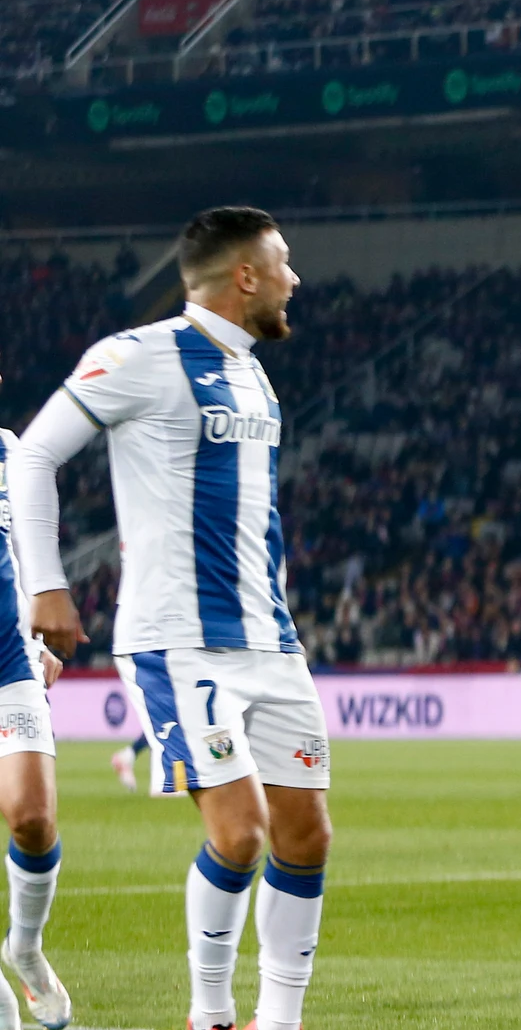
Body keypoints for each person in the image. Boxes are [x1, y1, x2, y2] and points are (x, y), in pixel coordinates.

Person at [15, 207, 332, 1030]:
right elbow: (36, 453)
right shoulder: (140, 356)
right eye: (284, 261)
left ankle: (282, 1020)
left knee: (307, 835)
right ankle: (209, 1012)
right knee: (240, 834)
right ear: (246, 275)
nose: (295, 276)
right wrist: (46, 584)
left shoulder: (255, 374)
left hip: (271, 638)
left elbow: (257, 517)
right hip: (180, 641)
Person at [0, 417, 72, 1030]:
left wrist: (36, 631)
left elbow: (24, 551)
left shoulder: (8, 449)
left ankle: (24, 943)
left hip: (7, 659)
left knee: (32, 817)